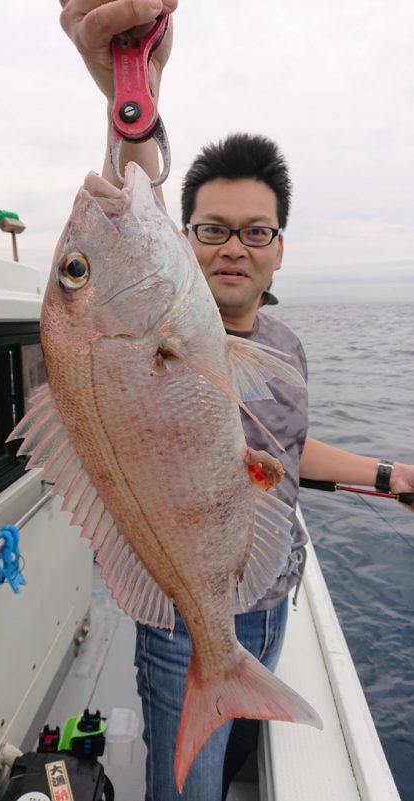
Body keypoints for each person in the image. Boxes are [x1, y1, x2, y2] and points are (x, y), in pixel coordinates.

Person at [58, 3, 414, 800]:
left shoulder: (282, 348)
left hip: (268, 598)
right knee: (184, 786)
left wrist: (390, 475)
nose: (233, 246)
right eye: (212, 228)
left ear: (280, 246)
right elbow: (133, 181)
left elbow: (288, 450)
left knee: (238, 763)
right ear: (182, 238)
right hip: (187, 616)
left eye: (256, 232)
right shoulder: (175, 330)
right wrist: (131, 90)